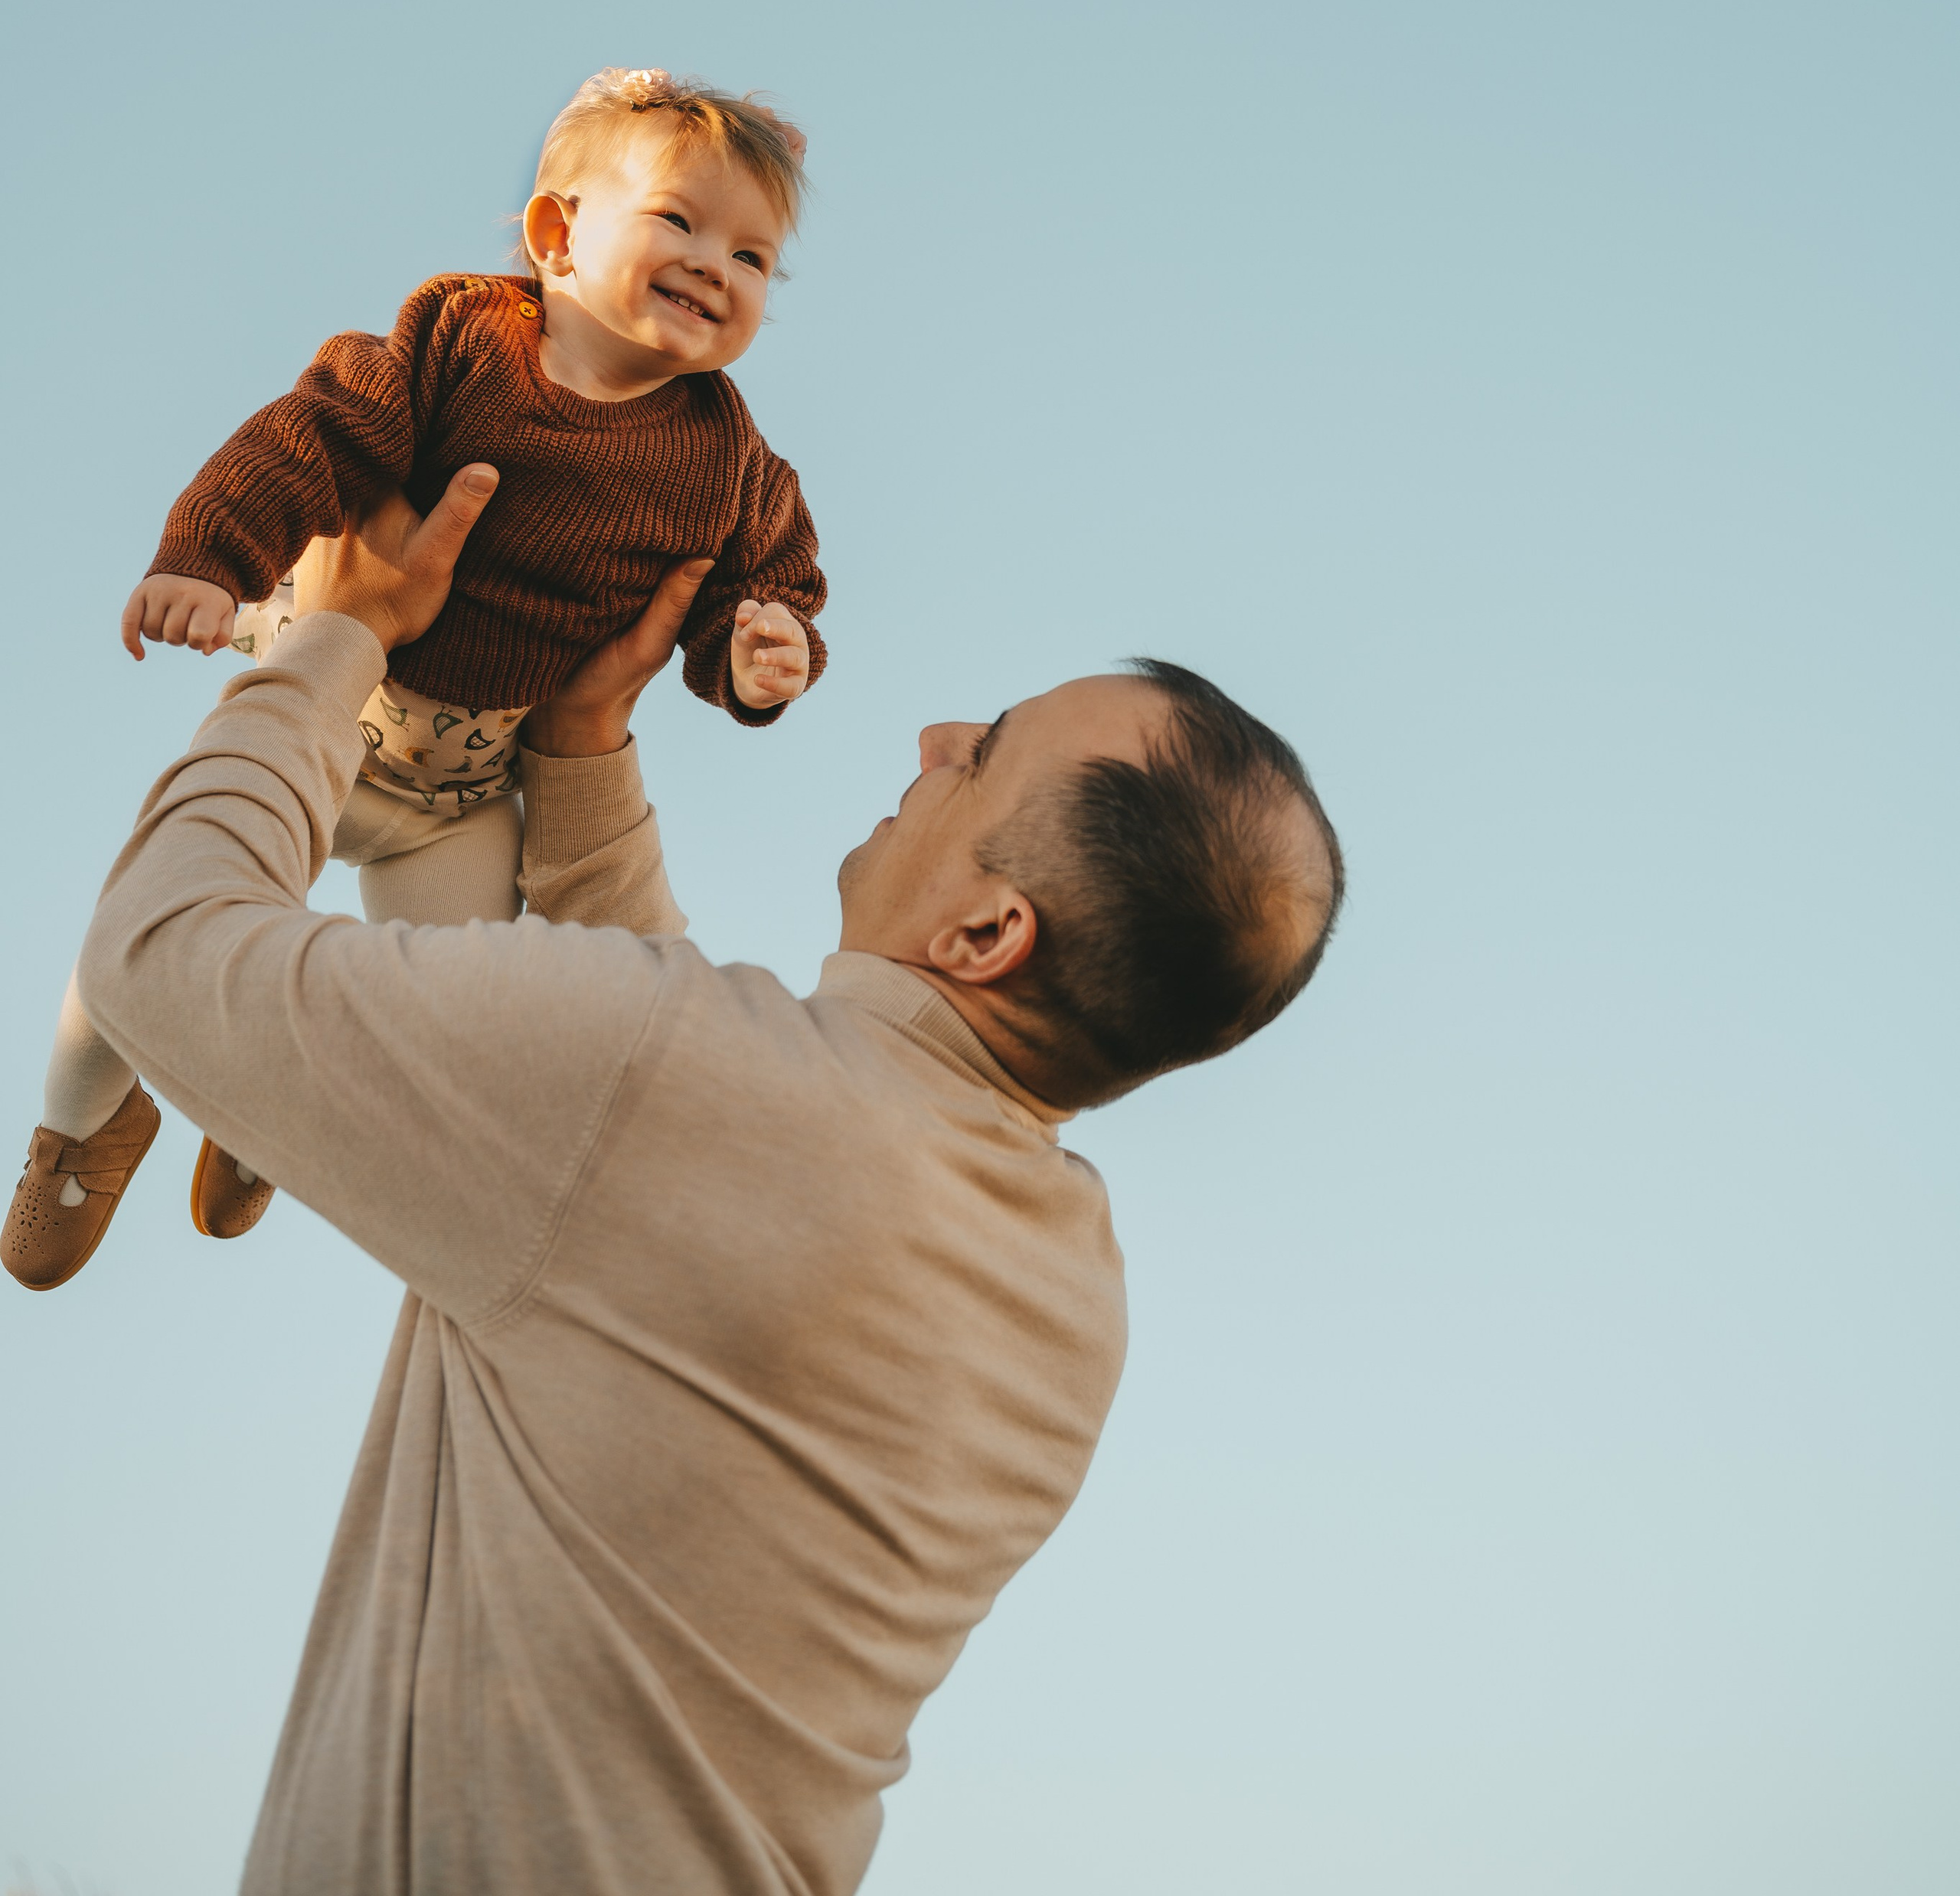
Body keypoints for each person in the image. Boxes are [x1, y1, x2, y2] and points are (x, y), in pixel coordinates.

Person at [61, 467, 1343, 1896]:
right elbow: (689, 1152)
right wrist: (585, 747)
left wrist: (331, 642)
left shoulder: (690, 1097)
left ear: (989, 931)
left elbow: (158, 953)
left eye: (982, 754)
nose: (931, 734)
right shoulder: (1069, 1290)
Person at [4, 67, 825, 1284]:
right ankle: (81, 1129)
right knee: (136, 945)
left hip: (462, 793)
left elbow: (764, 580)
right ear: (557, 236)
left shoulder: (726, 458)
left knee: (443, 1014)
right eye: (680, 221)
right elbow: (315, 435)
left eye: (755, 257)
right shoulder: (459, 342)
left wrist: (765, 659)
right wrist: (206, 557)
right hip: (329, 709)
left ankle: (274, 1107)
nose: (718, 264)